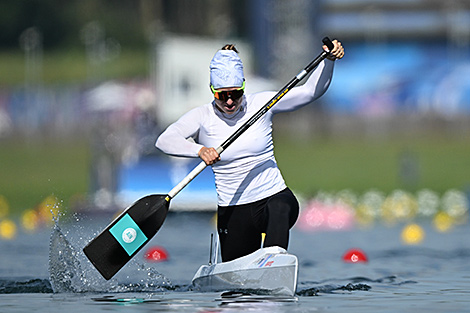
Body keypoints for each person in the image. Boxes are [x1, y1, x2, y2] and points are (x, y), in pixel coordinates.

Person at [156, 40, 344, 262]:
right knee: (236, 292)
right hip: (234, 211)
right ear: (212, 91)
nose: (229, 101)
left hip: (272, 197)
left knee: (281, 206)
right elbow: (165, 140)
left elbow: (310, 92)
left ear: (244, 86)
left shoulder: (262, 104)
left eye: (235, 94)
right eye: (221, 95)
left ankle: (275, 259)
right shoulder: (202, 117)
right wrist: (200, 150)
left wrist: (329, 61)